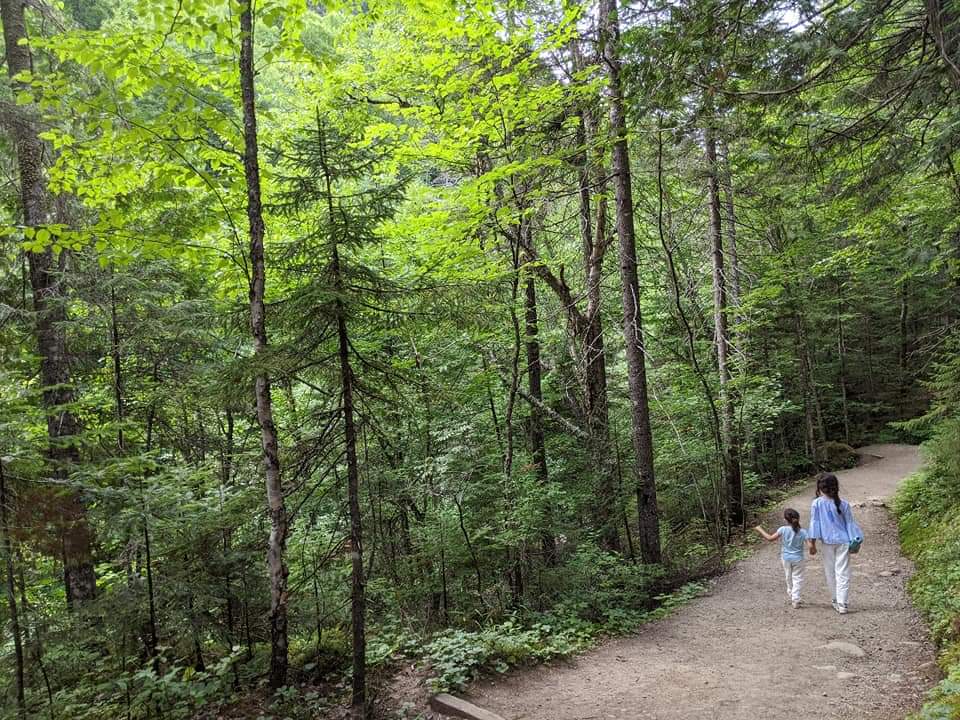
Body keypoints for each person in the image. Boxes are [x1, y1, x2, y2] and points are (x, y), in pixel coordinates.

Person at [808, 472, 863, 615]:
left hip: (827, 543)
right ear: (835, 487)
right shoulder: (843, 504)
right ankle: (842, 603)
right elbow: (850, 524)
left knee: (830, 572)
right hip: (844, 541)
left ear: (820, 487)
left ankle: (835, 599)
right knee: (843, 572)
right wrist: (855, 540)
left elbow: (815, 523)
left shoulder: (817, 503)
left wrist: (812, 543)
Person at [754, 508, 813, 609]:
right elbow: (810, 546)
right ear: (798, 519)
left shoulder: (783, 529)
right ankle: (795, 599)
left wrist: (760, 529)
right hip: (798, 559)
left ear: (786, 520)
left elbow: (770, 538)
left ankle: (791, 593)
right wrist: (812, 550)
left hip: (785, 558)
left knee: (788, 576)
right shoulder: (803, 532)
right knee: (797, 578)